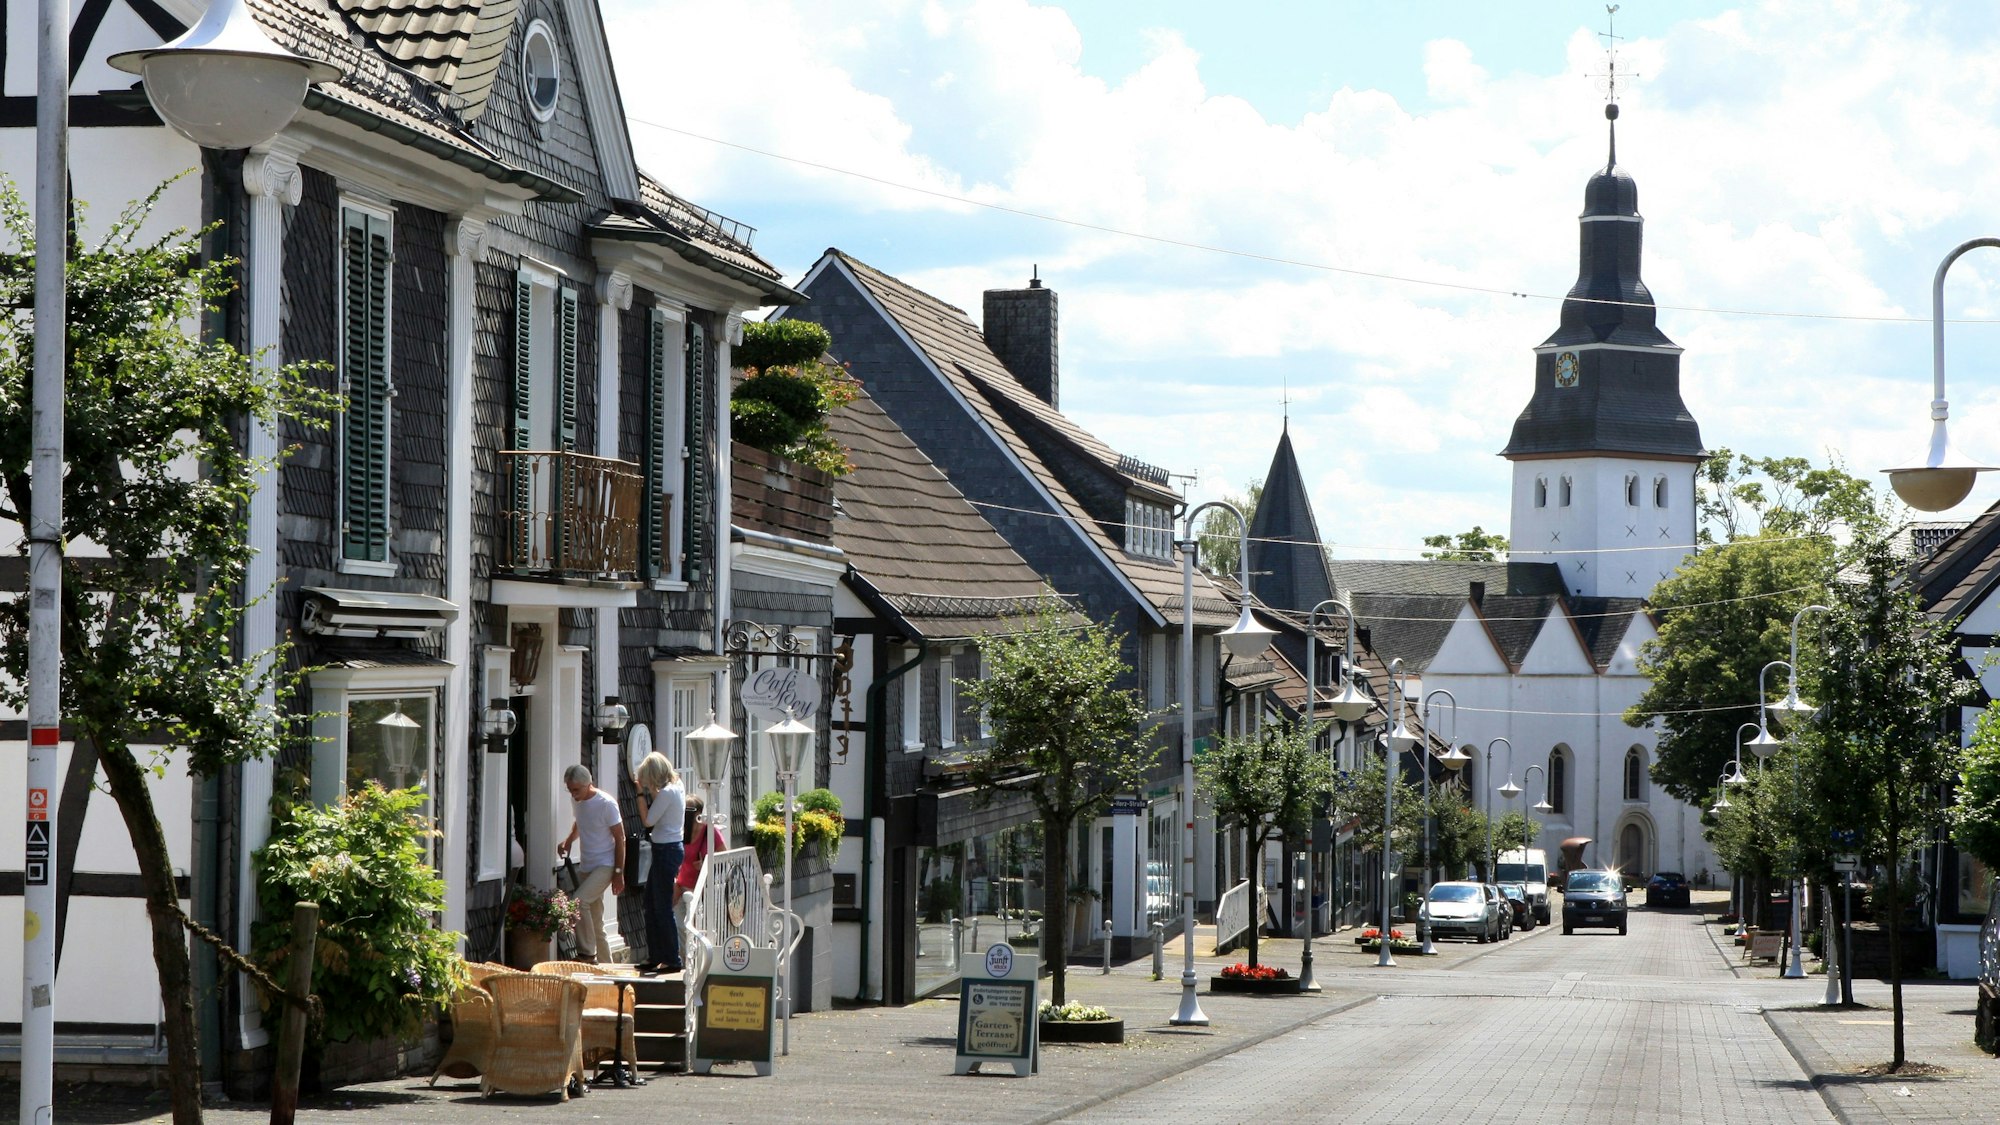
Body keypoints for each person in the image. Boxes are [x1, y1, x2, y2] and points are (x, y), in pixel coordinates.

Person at [557, 764, 624, 964]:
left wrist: (619, 872)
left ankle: (586, 953)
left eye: (576, 789)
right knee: (596, 922)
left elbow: (620, 838)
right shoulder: (577, 800)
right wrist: (568, 841)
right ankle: (607, 967)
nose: (573, 793)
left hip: (606, 864)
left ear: (589, 784)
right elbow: (580, 822)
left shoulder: (606, 804)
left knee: (579, 902)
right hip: (587, 865)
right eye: (569, 789)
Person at [634, 752, 685, 974]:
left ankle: (672, 958)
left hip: (665, 850)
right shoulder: (677, 786)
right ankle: (657, 955)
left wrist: (639, 794)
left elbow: (648, 821)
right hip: (667, 849)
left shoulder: (666, 793)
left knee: (661, 906)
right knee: (652, 904)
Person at [677, 793, 727, 898]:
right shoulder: (680, 832)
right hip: (682, 885)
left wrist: (706, 864)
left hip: (704, 887)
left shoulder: (710, 831)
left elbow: (725, 857)